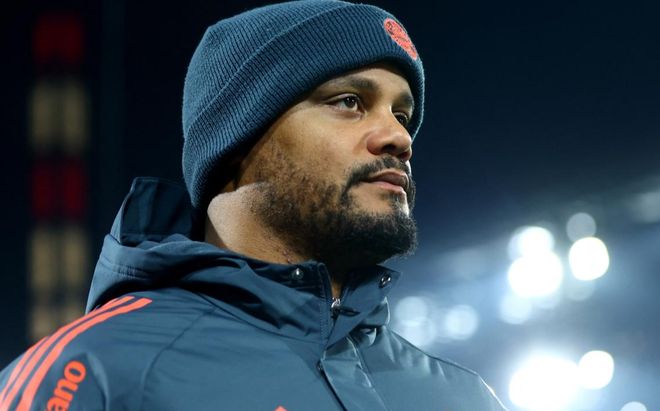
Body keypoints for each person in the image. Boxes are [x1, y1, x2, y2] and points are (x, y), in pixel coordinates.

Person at [0, 1, 506, 410]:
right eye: (349, 101)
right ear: (237, 140)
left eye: (402, 114)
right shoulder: (92, 374)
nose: (399, 137)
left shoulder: (466, 398)